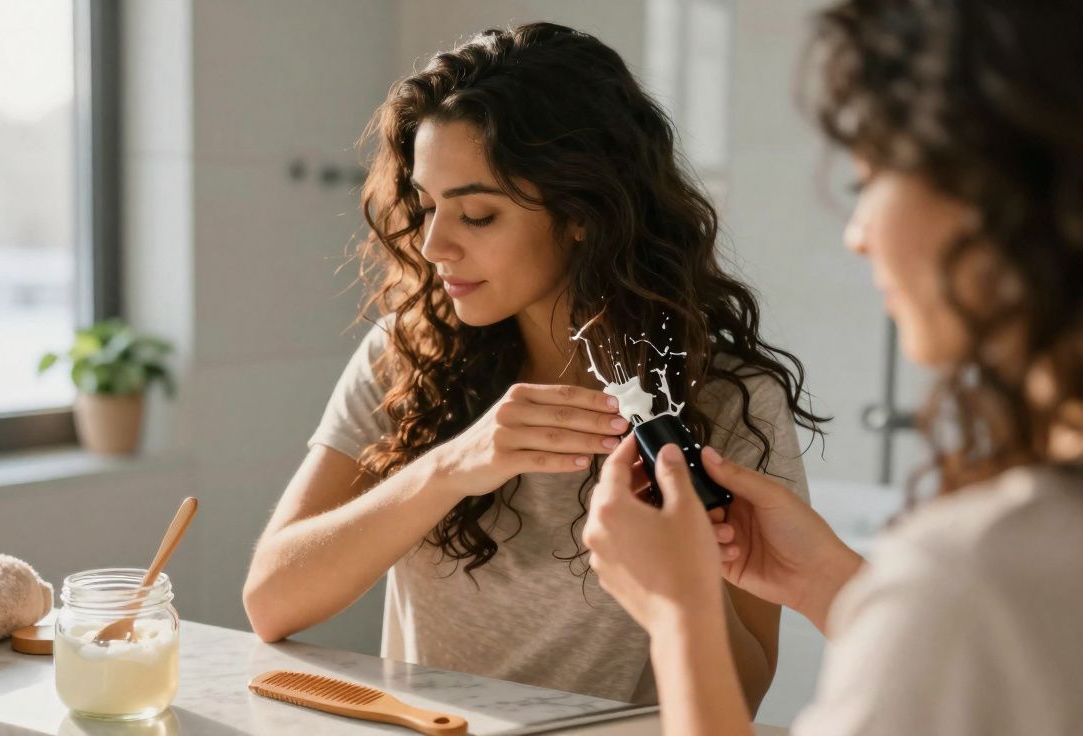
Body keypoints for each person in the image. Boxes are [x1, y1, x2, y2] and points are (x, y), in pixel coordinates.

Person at [244, 22, 825, 707]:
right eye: (427, 207)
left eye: (478, 215)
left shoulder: (727, 401)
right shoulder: (406, 354)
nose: (433, 245)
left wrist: (679, 570)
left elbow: (745, 691)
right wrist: (451, 467)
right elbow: (271, 601)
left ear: (583, 212)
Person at [583, 0, 1083, 732]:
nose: (857, 235)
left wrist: (677, 613)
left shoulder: (978, 574)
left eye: (868, 181)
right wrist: (831, 582)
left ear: (992, 194)